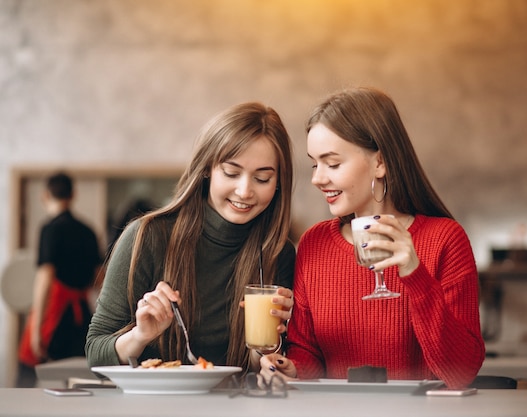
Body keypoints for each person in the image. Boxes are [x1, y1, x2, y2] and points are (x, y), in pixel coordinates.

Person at [259, 87, 485, 389]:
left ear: (380, 163)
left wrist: (415, 275)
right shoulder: (314, 244)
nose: (317, 178)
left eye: (333, 163)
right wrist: (293, 369)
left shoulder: (445, 239)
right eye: (315, 164)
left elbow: (461, 373)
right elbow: (309, 355)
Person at [86, 102, 295, 373]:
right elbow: (95, 351)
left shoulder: (277, 252)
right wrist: (140, 335)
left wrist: (269, 350)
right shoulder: (147, 237)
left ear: (279, 183)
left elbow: (258, 367)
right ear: (207, 169)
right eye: (231, 173)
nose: (245, 191)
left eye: (262, 179)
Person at [18, 172, 102, 387]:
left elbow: (45, 278)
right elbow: (99, 279)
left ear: (45, 195)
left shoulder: (49, 229)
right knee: (80, 377)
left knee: (31, 375)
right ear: (73, 195)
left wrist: (36, 329)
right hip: (81, 315)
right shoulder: (88, 231)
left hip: (55, 314)